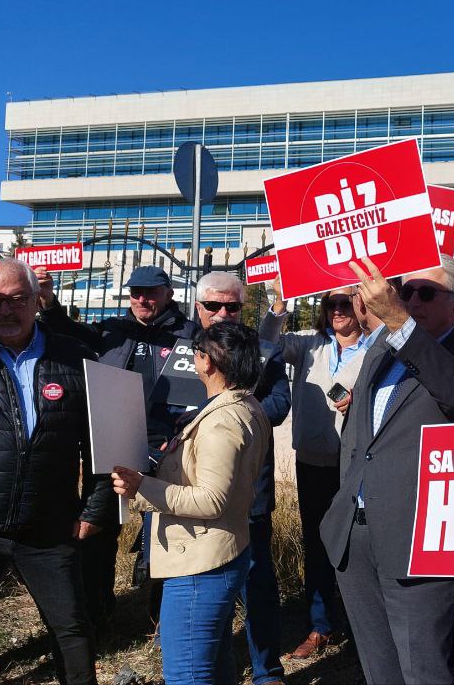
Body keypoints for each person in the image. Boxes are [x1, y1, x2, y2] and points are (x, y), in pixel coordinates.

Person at [321, 254, 454, 685]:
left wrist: (402, 324)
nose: (411, 300)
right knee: (378, 668)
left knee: (424, 668)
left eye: (426, 293)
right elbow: (359, 431)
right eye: (406, 291)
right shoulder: (381, 350)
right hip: (355, 531)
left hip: (420, 536)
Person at [0, 258, 111, 685]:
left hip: (47, 527)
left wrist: (94, 510)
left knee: (73, 632)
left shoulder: (75, 358)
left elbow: (104, 443)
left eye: (17, 298)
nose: (6, 310)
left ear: (37, 300)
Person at [36, 265, 197, 631]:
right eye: (137, 292)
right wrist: (47, 299)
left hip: (167, 446)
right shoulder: (110, 330)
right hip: (110, 443)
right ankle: (97, 614)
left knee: (167, 531)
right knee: (98, 529)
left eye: (152, 292)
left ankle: (161, 620)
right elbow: (63, 331)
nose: (143, 299)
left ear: (169, 294)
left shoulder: (189, 333)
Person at [111, 321, 270, 685]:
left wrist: (142, 487)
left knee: (188, 672)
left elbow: (212, 499)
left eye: (197, 353)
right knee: (213, 662)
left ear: (207, 362)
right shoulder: (242, 405)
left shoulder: (222, 421)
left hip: (201, 560)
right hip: (220, 549)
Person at [257, 274, 385, 660]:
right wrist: (279, 305)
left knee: (359, 543)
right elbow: (268, 342)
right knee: (316, 542)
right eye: (332, 304)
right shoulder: (311, 346)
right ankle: (320, 624)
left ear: (361, 305)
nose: (338, 311)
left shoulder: (376, 349)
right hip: (312, 461)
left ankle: (363, 616)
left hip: (353, 464)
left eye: (346, 303)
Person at [191, 271, 292, 684]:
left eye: (232, 306)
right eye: (213, 306)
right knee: (201, 593)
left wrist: (232, 415)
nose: (222, 314)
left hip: (249, 493)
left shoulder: (263, 350)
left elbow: (280, 404)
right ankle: (211, 668)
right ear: (198, 308)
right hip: (190, 494)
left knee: (257, 587)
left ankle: (266, 669)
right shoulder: (183, 347)